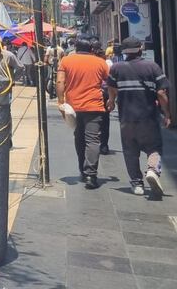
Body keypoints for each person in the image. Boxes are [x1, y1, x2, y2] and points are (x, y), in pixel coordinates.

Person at [106, 36, 172, 197]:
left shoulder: (116, 68)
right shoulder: (152, 67)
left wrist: (112, 101)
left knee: (130, 151)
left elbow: (111, 87)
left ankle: (137, 184)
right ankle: (152, 170)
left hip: (126, 119)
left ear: (124, 52)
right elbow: (161, 93)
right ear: (140, 49)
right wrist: (167, 113)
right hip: (148, 117)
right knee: (154, 147)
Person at [57, 36, 110, 189]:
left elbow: (60, 81)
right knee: (93, 140)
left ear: (76, 48)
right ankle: (91, 175)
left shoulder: (66, 61)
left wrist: (61, 101)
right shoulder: (100, 62)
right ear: (91, 49)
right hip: (95, 106)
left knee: (79, 137)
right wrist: (111, 99)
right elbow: (110, 82)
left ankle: (82, 168)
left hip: (73, 107)